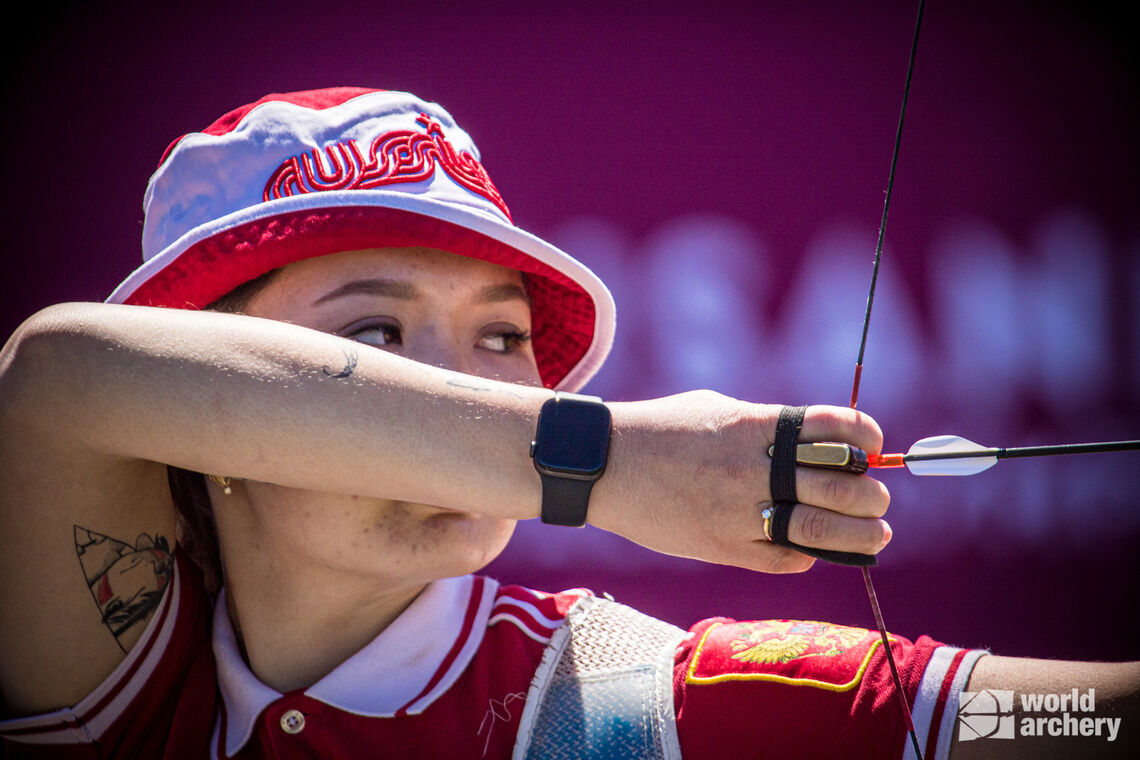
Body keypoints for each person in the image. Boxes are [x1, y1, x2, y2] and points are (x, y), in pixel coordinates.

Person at [0, 87, 1135, 759]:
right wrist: (615, 462)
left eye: (503, 338)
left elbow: (1086, 722)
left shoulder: (652, 702)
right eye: (377, 336)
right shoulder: (127, 680)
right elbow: (55, 377)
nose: (482, 383)